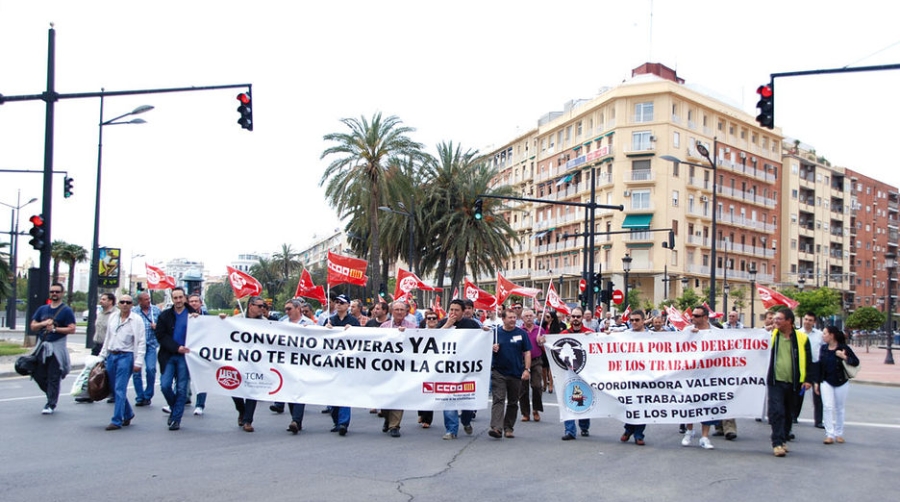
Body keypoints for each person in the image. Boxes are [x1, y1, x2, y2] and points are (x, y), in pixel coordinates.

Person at [767, 307, 813, 457]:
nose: (775, 321)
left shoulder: (802, 339)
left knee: (788, 413)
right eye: (775, 319)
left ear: (789, 321)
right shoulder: (771, 335)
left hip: (794, 382)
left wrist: (808, 380)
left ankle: (784, 437)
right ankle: (777, 443)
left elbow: (809, 360)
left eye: (779, 319)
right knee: (777, 411)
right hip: (775, 381)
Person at [439, 299, 484, 439]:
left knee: (468, 400)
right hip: (448, 369)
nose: (453, 313)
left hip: (467, 369)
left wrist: (487, 334)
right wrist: (447, 325)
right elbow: (433, 339)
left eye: (456, 310)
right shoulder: (443, 323)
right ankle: (451, 430)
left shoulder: (472, 325)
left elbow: (481, 341)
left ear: (463, 312)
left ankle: (466, 420)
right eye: (451, 310)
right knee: (449, 399)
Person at [99, 295, 145, 430]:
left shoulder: (137, 320)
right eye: (122, 302)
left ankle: (117, 420)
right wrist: (102, 356)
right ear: (118, 303)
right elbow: (108, 337)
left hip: (126, 356)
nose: (125, 304)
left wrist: (138, 362)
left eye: (128, 302)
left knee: (120, 388)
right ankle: (128, 413)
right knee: (114, 388)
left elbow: (141, 342)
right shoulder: (113, 317)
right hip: (112, 355)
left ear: (132, 305)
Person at [30, 282, 77, 415]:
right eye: (52, 291)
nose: (54, 294)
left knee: (53, 376)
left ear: (62, 294)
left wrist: (55, 329)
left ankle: (51, 403)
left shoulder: (66, 310)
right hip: (42, 347)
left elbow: (72, 329)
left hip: (56, 348)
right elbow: (33, 326)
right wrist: (44, 323)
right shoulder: (42, 309)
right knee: (37, 374)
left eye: (57, 291)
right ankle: (51, 392)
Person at [155, 287, 196, 431]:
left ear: (185, 298)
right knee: (165, 385)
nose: (178, 301)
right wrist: (176, 347)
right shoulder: (165, 315)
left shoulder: (194, 315)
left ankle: (176, 419)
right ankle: (175, 409)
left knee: (181, 388)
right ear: (172, 299)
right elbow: (160, 335)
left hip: (186, 357)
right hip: (169, 355)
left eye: (180, 297)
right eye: (175, 298)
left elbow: (209, 328)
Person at [488, 309, 531, 439]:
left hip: (516, 372)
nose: (513, 320)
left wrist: (527, 369)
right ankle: (496, 427)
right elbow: (483, 346)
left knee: (513, 401)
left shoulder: (522, 334)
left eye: (514, 317)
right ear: (503, 319)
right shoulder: (495, 333)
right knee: (499, 399)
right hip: (498, 371)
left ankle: (508, 427)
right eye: (510, 318)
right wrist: (491, 347)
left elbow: (527, 352)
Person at [378, 300, 417, 437]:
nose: (399, 312)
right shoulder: (384, 327)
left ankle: (394, 426)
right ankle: (387, 418)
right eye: (397, 310)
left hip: (403, 368)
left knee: (398, 396)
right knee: (385, 398)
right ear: (391, 311)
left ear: (406, 312)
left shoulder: (412, 327)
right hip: (385, 367)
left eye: (402, 309)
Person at [681, 305, 717, 449]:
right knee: (690, 402)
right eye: (692, 316)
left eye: (696, 316)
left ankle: (704, 437)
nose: (693, 318)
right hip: (691, 373)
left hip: (709, 373)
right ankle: (689, 431)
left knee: (707, 404)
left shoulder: (716, 332)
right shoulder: (686, 331)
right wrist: (690, 336)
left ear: (705, 318)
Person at [816, 326, 859, 445]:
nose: (823, 336)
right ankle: (829, 434)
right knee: (827, 406)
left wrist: (844, 357)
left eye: (825, 333)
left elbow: (856, 362)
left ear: (832, 335)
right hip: (826, 381)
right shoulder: (823, 349)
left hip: (841, 381)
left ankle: (839, 433)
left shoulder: (843, 348)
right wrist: (816, 382)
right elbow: (819, 366)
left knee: (839, 408)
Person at [325, 294, 359, 436]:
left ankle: (343, 423)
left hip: (347, 363)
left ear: (347, 306)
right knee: (333, 394)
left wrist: (353, 330)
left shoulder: (353, 321)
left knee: (344, 393)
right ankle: (336, 421)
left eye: (342, 303)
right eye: (337, 302)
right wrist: (325, 330)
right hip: (332, 363)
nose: (338, 304)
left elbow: (361, 339)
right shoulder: (329, 320)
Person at [76, 293, 117, 403]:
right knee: (92, 370)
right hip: (97, 345)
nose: (101, 301)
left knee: (108, 371)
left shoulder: (115, 314)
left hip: (108, 346)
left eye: (104, 299)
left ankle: (113, 393)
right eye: (101, 299)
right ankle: (90, 394)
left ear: (110, 301)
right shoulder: (100, 313)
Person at [560, 307, 593, 441]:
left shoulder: (590, 333)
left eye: (578, 317)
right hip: (567, 372)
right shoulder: (563, 334)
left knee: (584, 397)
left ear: (582, 318)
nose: (575, 319)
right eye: (573, 316)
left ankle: (584, 426)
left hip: (585, 372)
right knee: (568, 398)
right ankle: (570, 430)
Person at [620, 309, 648, 445]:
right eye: (631, 320)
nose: (634, 323)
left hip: (646, 376)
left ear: (643, 321)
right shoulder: (625, 334)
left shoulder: (652, 335)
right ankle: (628, 429)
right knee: (629, 404)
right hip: (628, 376)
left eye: (637, 320)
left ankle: (638, 434)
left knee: (642, 405)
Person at [796, 312, 825, 428]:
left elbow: (823, 348)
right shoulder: (797, 333)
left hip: (815, 365)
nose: (807, 322)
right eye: (806, 319)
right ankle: (794, 416)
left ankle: (818, 420)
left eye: (810, 320)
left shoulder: (819, 335)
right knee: (799, 392)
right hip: (802, 365)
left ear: (814, 322)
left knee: (818, 393)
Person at [132, 292, 161, 407]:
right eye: (145, 299)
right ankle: (140, 396)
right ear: (140, 301)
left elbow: (164, 325)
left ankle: (148, 395)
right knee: (136, 371)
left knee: (151, 369)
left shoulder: (156, 311)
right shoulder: (134, 312)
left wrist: (157, 327)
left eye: (149, 299)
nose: (148, 301)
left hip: (151, 345)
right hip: (137, 345)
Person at [519, 308, 545, 423]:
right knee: (523, 388)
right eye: (526, 316)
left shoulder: (540, 330)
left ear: (534, 317)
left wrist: (542, 342)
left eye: (530, 315)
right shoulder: (519, 330)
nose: (529, 318)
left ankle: (536, 409)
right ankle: (525, 412)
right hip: (522, 362)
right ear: (522, 318)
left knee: (537, 386)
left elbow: (546, 347)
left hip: (536, 361)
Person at [187, 294, 211, 416]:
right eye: (191, 301)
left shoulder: (207, 317)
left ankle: (200, 405)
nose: (193, 303)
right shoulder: (183, 315)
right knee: (182, 377)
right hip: (187, 351)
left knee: (201, 379)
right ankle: (178, 402)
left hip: (202, 352)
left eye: (196, 301)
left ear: (201, 303)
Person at [540, 310, 562, 393]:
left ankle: (551, 385)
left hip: (552, 350)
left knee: (551, 369)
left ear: (552, 318)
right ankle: (544, 384)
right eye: (545, 316)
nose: (546, 318)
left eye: (548, 317)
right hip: (543, 350)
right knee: (543, 369)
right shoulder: (542, 326)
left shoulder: (556, 327)